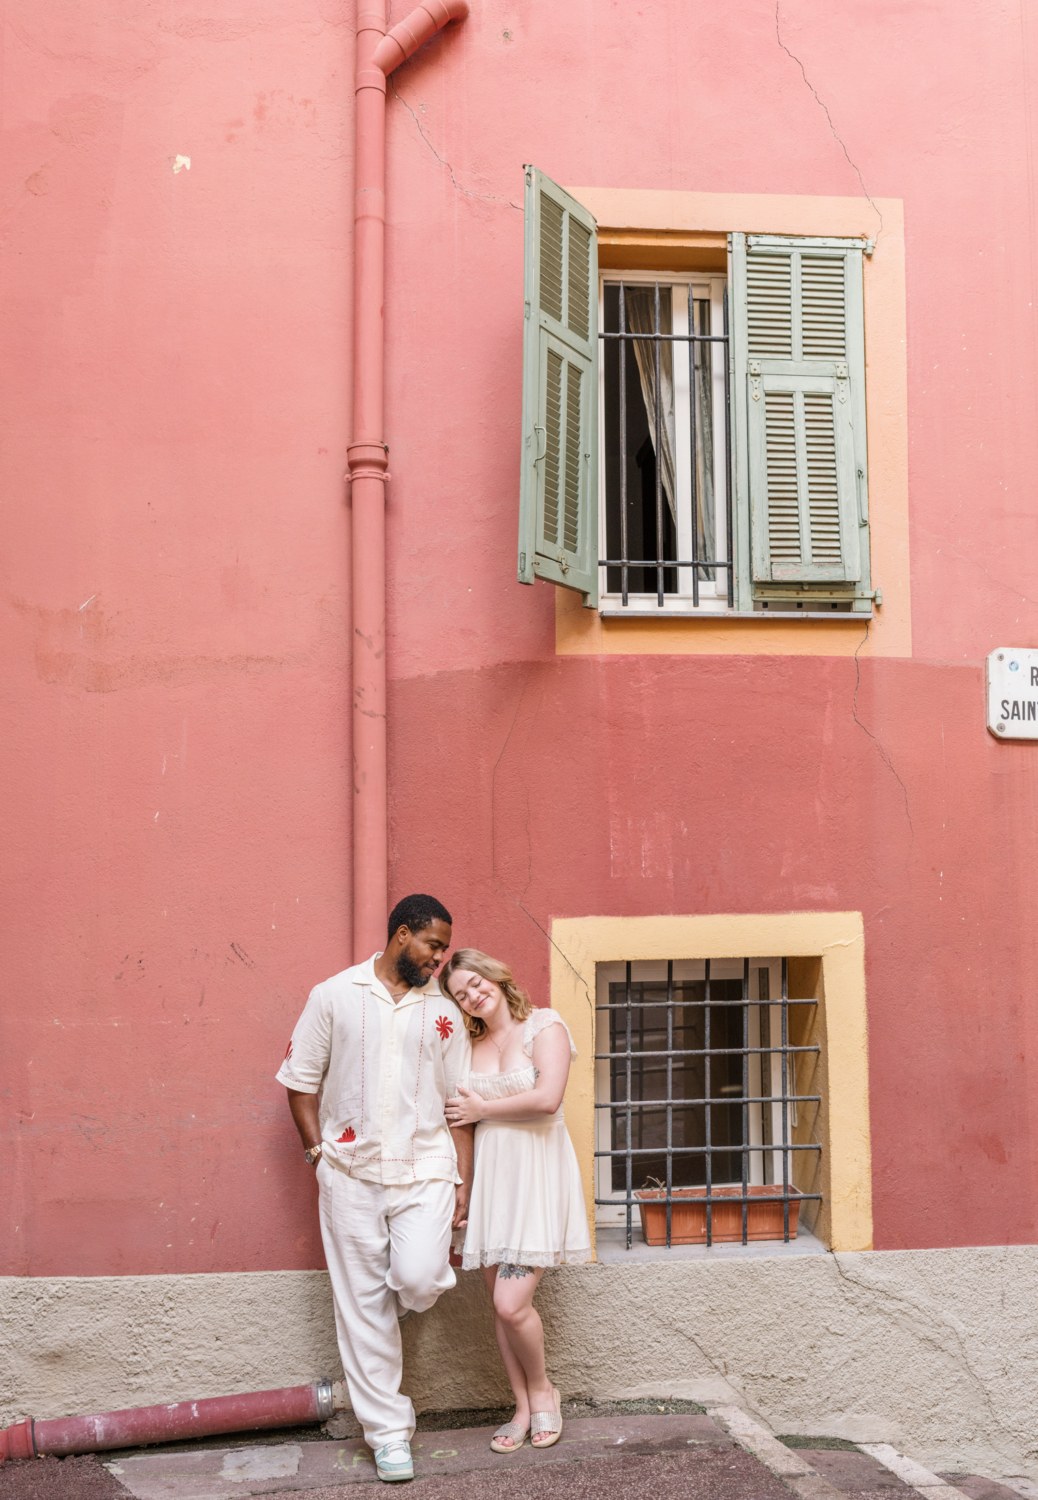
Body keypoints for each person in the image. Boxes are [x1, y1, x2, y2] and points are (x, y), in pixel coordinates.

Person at [277, 895, 472, 1484]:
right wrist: (318, 1156)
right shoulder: (334, 995)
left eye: (443, 948)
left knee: (417, 1276)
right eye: (433, 944)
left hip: (427, 1170)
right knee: (361, 1309)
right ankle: (389, 1435)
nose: (440, 958)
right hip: (349, 1174)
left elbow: (459, 1103)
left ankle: (393, 1308)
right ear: (402, 934)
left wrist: (462, 1180)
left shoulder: (444, 1014)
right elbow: (299, 1084)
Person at [442, 949, 591, 1455]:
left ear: (495, 975)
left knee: (512, 1302)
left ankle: (545, 1389)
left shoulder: (543, 1026)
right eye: (461, 994)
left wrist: (484, 1107)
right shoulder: (468, 1045)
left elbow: (548, 1098)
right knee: (500, 1310)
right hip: (493, 1186)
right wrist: (463, 1188)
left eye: (476, 983)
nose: (472, 996)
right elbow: (457, 1120)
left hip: (537, 1179)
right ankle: (524, 1407)